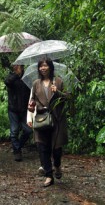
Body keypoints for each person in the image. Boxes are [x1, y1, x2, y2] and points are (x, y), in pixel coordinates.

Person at [27, 57, 69, 187]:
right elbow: (33, 100)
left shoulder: (59, 81)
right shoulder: (35, 83)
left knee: (56, 149)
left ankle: (57, 165)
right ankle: (48, 175)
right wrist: (31, 107)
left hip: (56, 120)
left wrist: (58, 92)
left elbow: (68, 97)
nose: (43, 68)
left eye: (45, 65)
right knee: (42, 148)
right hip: (41, 119)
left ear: (50, 67)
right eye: (41, 66)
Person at [5, 64, 32, 161]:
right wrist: (16, 74)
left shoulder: (27, 77)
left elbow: (30, 90)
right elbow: (7, 82)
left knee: (28, 130)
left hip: (24, 109)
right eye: (15, 66)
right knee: (14, 131)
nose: (17, 68)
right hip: (13, 109)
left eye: (19, 66)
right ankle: (17, 151)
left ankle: (18, 147)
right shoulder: (11, 77)